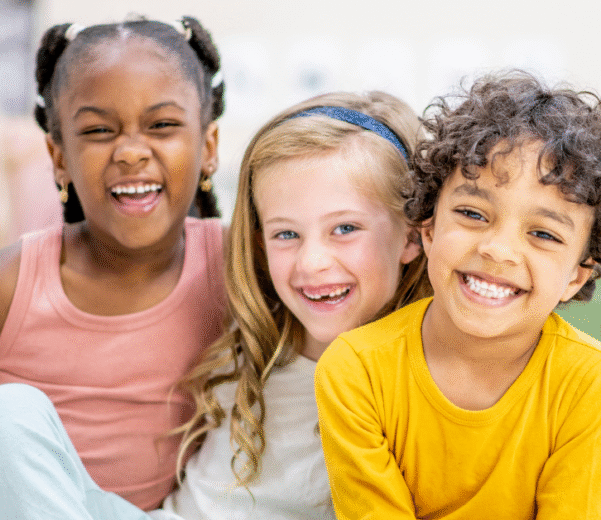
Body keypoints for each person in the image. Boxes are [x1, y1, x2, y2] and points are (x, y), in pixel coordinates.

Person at [0, 90, 432, 519]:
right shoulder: (254, 332)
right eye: (286, 234)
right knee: (14, 413)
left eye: (345, 228)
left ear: (413, 236)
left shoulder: (414, 374)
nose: (312, 263)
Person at [314, 70, 601, 519]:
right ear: (428, 228)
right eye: (472, 213)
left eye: (543, 234)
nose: (498, 249)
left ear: (576, 278)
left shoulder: (590, 385)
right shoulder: (356, 370)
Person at [0, 16, 227, 511]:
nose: (129, 152)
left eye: (162, 125)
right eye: (100, 130)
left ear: (208, 147)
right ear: (58, 157)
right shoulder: (12, 283)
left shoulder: (238, 269)